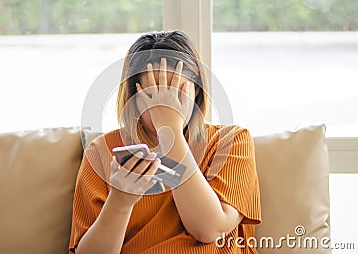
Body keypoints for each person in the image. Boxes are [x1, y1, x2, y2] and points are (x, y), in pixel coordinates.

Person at [69, 30, 261, 254]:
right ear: (134, 99)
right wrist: (120, 202)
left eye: (175, 92)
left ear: (197, 92)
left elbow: (210, 230)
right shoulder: (101, 151)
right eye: (153, 94)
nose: (165, 104)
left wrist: (170, 132)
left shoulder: (231, 141)